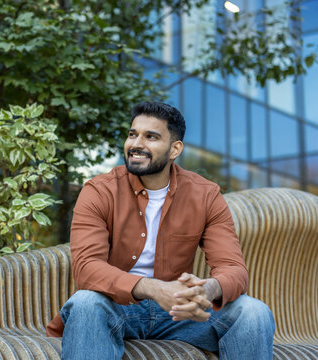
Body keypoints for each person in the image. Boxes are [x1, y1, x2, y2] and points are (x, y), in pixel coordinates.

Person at [46, 102, 275, 359]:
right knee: (86, 303)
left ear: (175, 149)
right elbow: (87, 268)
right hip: (116, 308)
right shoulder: (100, 191)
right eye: (133, 134)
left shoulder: (205, 195)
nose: (136, 144)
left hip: (180, 314)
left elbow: (235, 269)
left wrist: (208, 289)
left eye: (151, 137)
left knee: (252, 312)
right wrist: (154, 288)